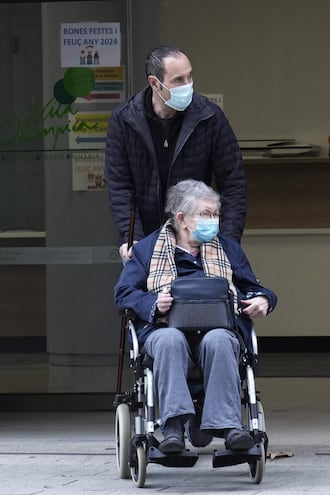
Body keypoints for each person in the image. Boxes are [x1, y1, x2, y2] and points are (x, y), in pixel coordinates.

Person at [114, 179, 277, 455]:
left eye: (215, 215)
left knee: (220, 340)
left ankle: (229, 427)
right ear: (182, 218)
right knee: (169, 340)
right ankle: (173, 428)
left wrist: (263, 300)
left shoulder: (226, 248)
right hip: (164, 330)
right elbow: (124, 294)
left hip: (217, 330)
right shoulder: (148, 250)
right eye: (206, 214)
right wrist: (154, 302)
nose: (213, 221)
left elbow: (255, 288)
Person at [105, 45, 246, 262]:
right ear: (155, 83)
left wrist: (229, 241)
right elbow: (119, 185)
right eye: (178, 80)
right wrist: (131, 237)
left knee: (200, 295)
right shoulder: (125, 119)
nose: (187, 86)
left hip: (197, 239)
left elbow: (233, 183)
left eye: (190, 77)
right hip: (145, 241)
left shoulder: (209, 116)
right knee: (143, 296)